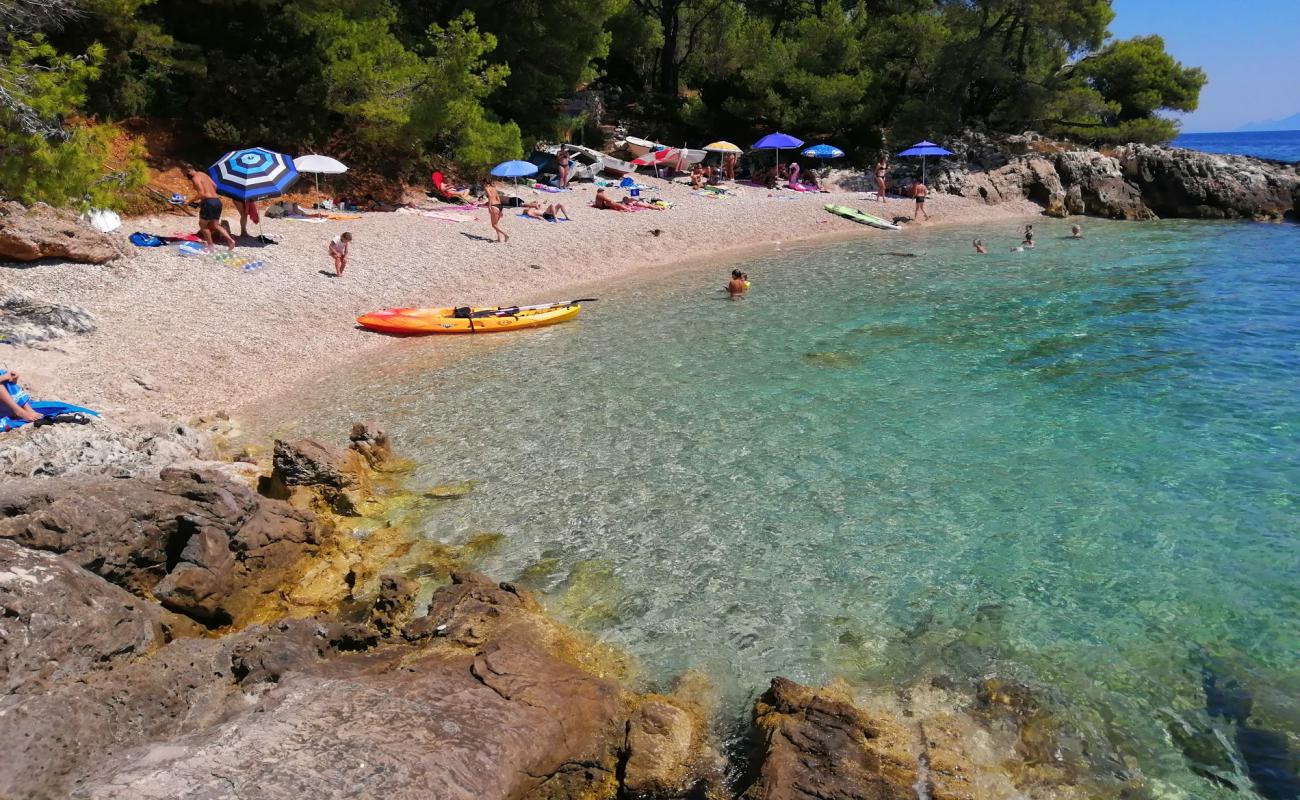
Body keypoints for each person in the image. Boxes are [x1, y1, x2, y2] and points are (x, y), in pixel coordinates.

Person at [185, 167, 236, 251]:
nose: (185, 176)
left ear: (188, 171)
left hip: (209, 202)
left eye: (185, 173)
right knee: (215, 225)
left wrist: (189, 201)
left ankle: (210, 246)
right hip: (217, 201)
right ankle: (230, 240)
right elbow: (215, 186)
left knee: (203, 225)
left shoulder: (195, 178)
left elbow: (201, 193)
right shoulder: (203, 174)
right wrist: (206, 198)